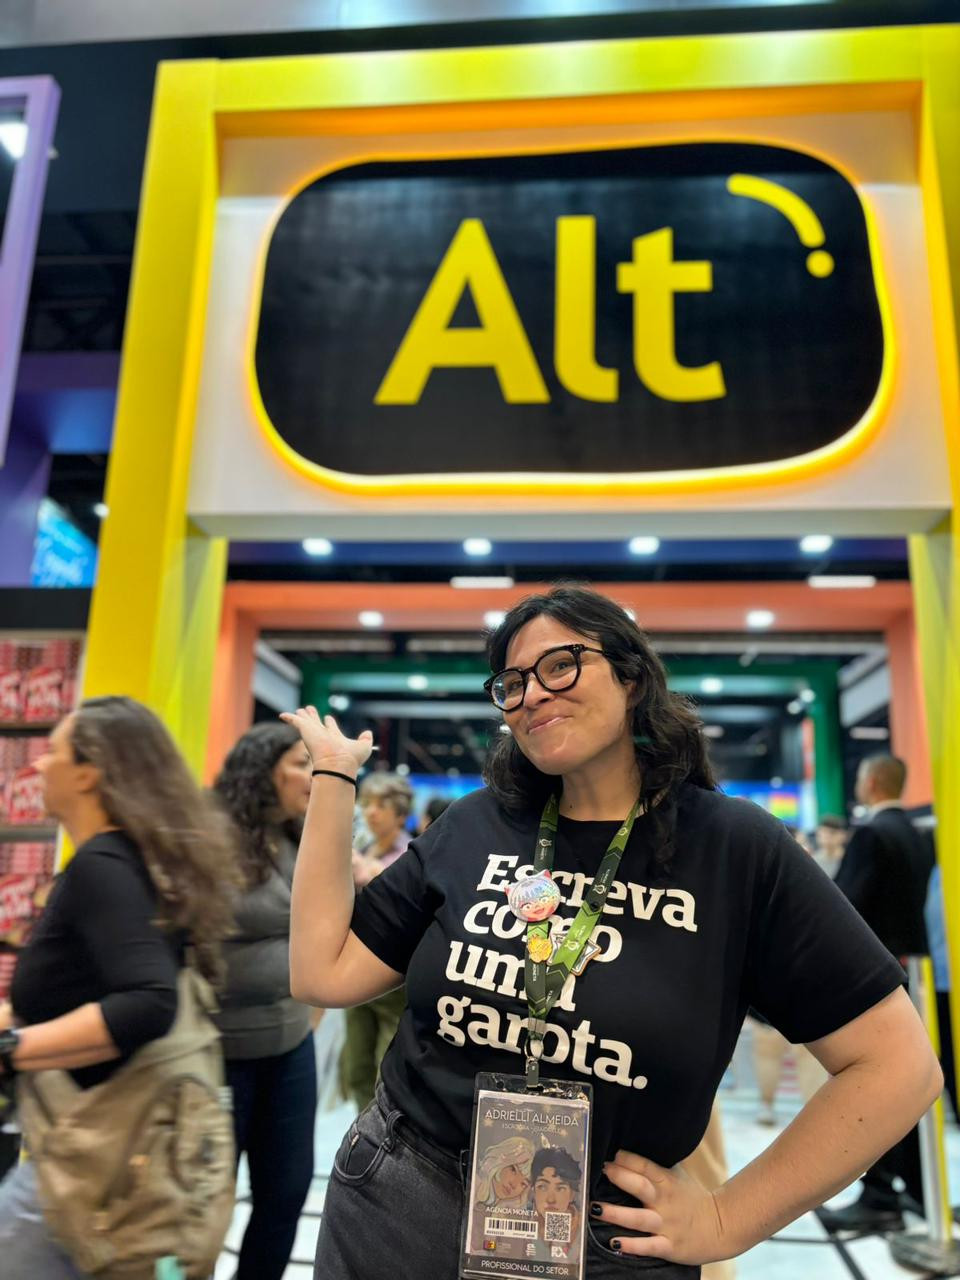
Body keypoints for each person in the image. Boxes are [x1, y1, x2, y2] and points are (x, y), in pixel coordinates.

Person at [283, 585, 941, 1279]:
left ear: (632, 676)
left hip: (606, 1235)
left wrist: (727, 1217)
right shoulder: (474, 825)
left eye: (561, 665)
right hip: (401, 1198)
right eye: (512, 682)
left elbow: (897, 1066)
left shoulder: (735, 848)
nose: (532, 694)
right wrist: (333, 777)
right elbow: (323, 972)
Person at [0, 695, 240, 1277]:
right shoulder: (136, 862)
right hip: (110, 1160)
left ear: (90, 771)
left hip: (88, 1168)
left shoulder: (102, 868)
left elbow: (147, 1003)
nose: (37, 767)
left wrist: (14, 1049)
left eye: (53, 752)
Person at [213, 722, 319, 1280]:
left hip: (289, 1046)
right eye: (300, 763)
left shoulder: (300, 835)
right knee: (206, 1199)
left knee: (285, 1193)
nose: (311, 775)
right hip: (219, 1051)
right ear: (262, 772)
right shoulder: (210, 837)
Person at [820, 755, 936, 1232]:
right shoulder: (917, 832)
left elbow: (842, 905)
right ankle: (911, 1188)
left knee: (877, 1084)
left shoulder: (870, 834)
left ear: (869, 783)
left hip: (877, 975)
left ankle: (880, 1192)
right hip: (917, 967)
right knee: (910, 1079)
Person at [341, 773, 413, 1111]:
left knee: (386, 1067)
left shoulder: (411, 855)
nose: (372, 812)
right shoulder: (364, 848)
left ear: (400, 814)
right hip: (354, 968)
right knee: (355, 1064)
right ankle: (360, 1128)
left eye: (382, 805)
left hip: (392, 978)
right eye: (367, 803)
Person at [814, 815, 848, 879]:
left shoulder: (849, 860)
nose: (826, 836)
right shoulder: (814, 859)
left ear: (843, 836)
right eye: (823, 832)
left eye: (832, 833)